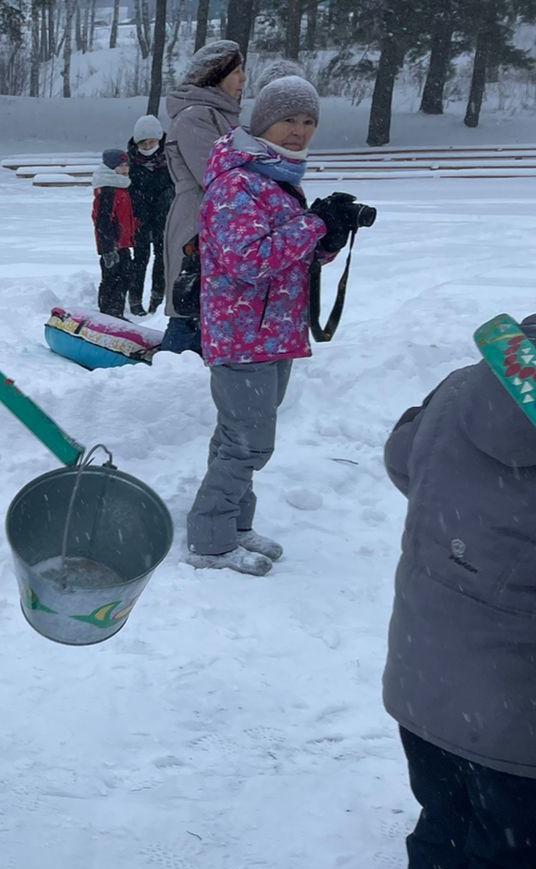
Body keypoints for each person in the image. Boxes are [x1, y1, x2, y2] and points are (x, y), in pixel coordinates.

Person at [381, 313, 536, 869]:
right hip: (515, 713)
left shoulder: (472, 384)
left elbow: (403, 458)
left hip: (427, 680)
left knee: (446, 826)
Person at [183, 76, 365, 575]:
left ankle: (234, 527)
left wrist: (330, 238)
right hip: (243, 337)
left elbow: (289, 260)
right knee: (249, 444)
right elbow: (248, 260)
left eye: (309, 122)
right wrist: (314, 224)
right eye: (289, 120)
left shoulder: (273, 178)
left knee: (235, 438)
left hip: (271, 334)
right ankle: (210, 540)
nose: (299, 131)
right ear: (263, 122)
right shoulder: (236, 183)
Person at [161, 39, 247, 354]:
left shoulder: (222, 116)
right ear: (216, 75)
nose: (243, 80)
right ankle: (170, 378)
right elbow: (218, 177)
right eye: (237, 72)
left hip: (221, 221)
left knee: (212, 308)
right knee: (191, 305)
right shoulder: (196, 116)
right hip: (198, 220)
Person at [127, 114, 174, 318]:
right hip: (139, 219)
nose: (148, 146)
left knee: (162, 259)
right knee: (140, 258)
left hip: (164, 216)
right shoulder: (130, 163)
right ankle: (135, 300)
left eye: (152, 142)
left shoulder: (171, 159)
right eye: (143, 143)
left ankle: (157, 298)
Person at [91, 149, 136, 319]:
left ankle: (116, 312)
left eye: (126, 165)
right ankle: (108, 312)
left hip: (123, 244)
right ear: (110, 168)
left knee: (124, 278)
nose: (124, 169)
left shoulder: (121, 186)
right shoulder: (108, 190)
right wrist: (108, 248)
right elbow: (102, 221)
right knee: (112, 280)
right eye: (120, 166)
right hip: (112, 246)